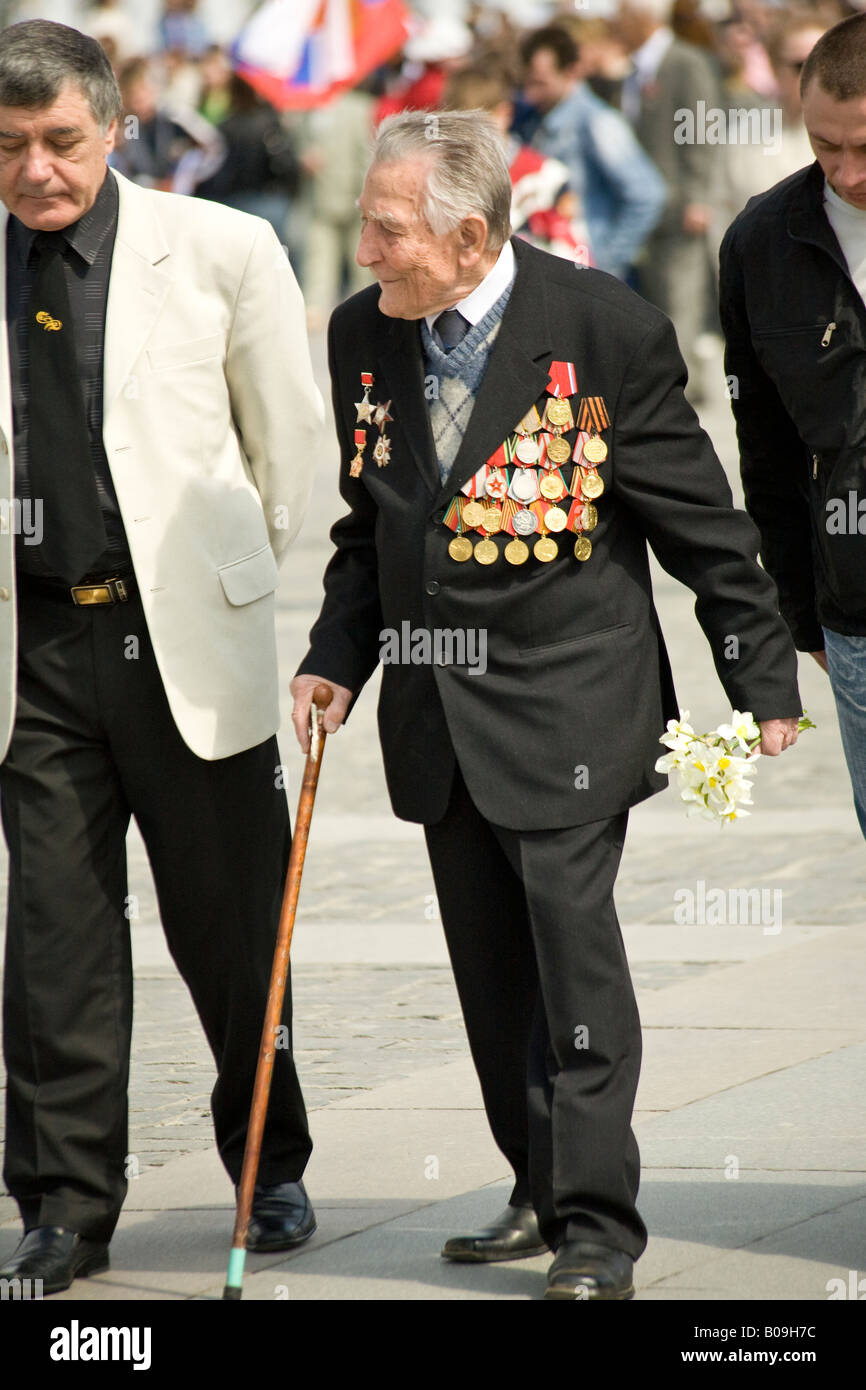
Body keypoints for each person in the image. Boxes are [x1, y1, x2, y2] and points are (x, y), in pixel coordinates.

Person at [290, 109, 802, 1300]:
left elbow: (700, 525)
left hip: (570, 701)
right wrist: (333, 656)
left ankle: (596, 1226)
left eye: (387, 230)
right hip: (437, 708)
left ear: (469, 237)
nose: (366, 252)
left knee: (574, 967)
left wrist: (759, 676)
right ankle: (537, 1180)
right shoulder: (364, 332)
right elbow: (371, 527)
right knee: (490, 978)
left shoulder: (603, 328)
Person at [0, 20, 323, 1296]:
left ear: (115, 129)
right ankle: (63, 1206)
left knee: (235, 927)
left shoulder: (224, 248)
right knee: (54, 943)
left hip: (180, 639)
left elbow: (285, 446)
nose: (35, 168)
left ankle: (267, 1163)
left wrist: (220, 590)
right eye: (9, 145)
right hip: (32, 653)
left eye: (60, 140)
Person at [719, 12, 866, 840]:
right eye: (824, 146)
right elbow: (765, 449)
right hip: (856, 609)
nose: (846, 172)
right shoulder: (760, 242)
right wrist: (799, 614)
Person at [615, 0, 721, 402]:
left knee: (681, 299)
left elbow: (703, 129)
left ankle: (683, 395)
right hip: (644, 210)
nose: (616, 23)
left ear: (643, 18)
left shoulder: (685, 62)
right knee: (655, 301)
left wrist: (698, 196)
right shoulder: (633, 69)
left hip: (679, 207)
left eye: (623, 15)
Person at [518, 24, 666, 280]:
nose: (529, 94)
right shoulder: (532, 120)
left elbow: (648, 195)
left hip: (586, 276)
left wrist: (603, 264)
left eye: (540, 83)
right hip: (550, 272)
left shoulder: (598, 122)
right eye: (527, 82)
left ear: (571, 72)